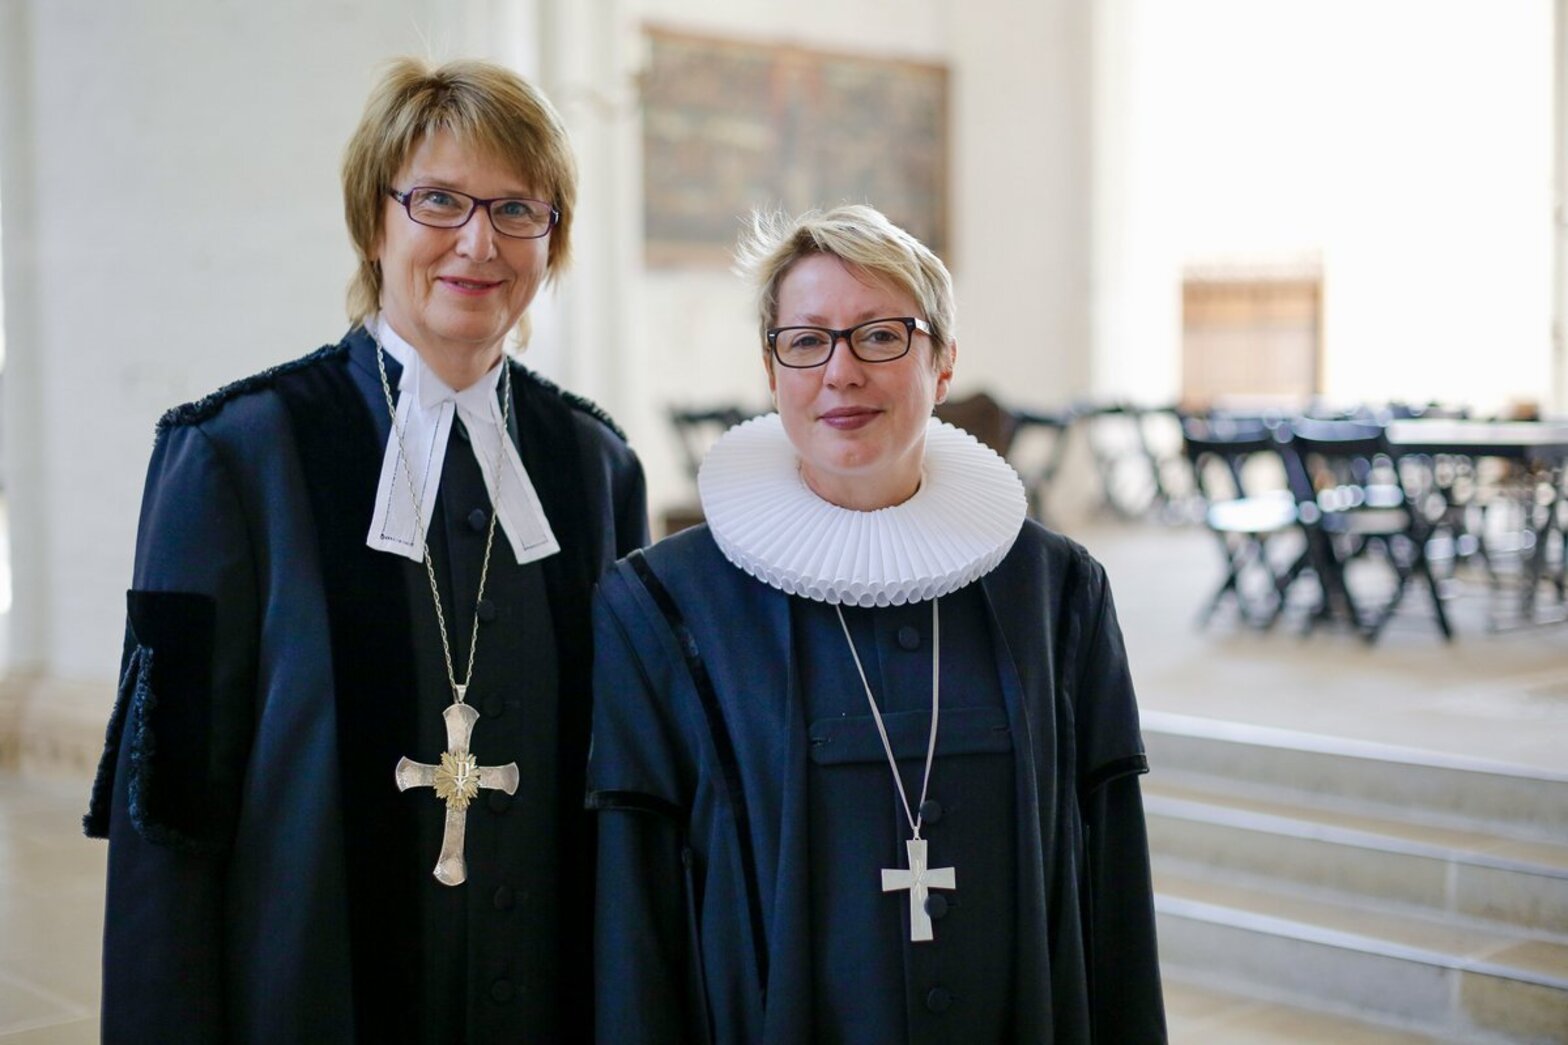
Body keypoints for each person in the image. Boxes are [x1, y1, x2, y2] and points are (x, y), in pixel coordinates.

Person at [85, 58, 647, 1042]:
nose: (479, 241)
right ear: (372, 218)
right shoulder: (234, 457)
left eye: (519, 210)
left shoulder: (594, 465)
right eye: (439, 200)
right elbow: (164, 814)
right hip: (313, 989)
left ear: (551, 241)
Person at [587, 204, 1165, 1043]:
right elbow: (637, 931)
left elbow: (1114, 900)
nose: (841, 371)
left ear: (942, 362)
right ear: (770, 367)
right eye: (807, 339)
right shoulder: (664, 609)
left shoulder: (1059, 594)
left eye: (881, 335)